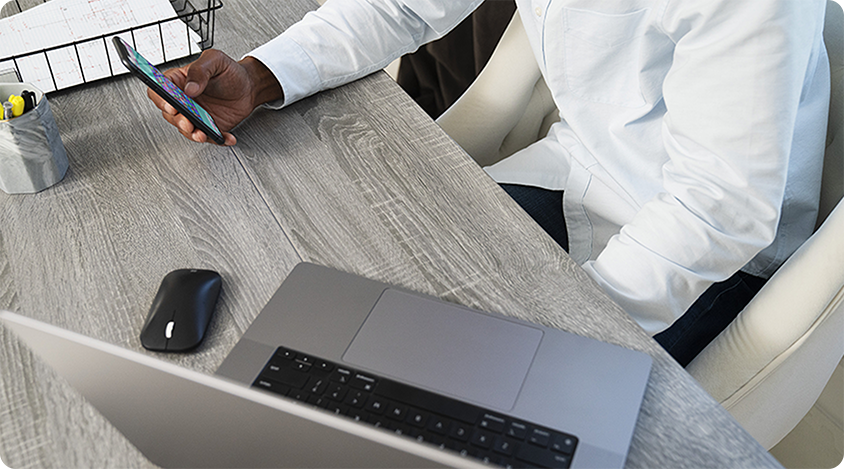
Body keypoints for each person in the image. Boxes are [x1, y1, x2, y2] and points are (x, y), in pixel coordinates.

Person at [148, 0, 831, 366]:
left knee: (501, 406)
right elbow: (401, 6)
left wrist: (547, 335)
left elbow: (721, 205)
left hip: (712, 254)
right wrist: (261, 78)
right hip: (585, 166)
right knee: (356, 306)